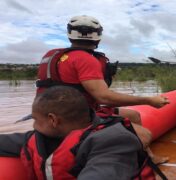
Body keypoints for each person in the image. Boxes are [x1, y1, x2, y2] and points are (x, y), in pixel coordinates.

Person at [35, 15, 169, 164]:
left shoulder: (50, 55)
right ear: (98, 37)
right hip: (75, 118)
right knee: (144, 136)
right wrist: (148, 100)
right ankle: (130, 166)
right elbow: (103, 97)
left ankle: (149, 158)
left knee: (133, 115)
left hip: (49, 115)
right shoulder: (86, 59)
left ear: (69, 35)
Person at [0, 86, 142, 179]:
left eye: (36, 119)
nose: (34, 125)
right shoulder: (39, 138)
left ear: (53, 120)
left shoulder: (114, 142)